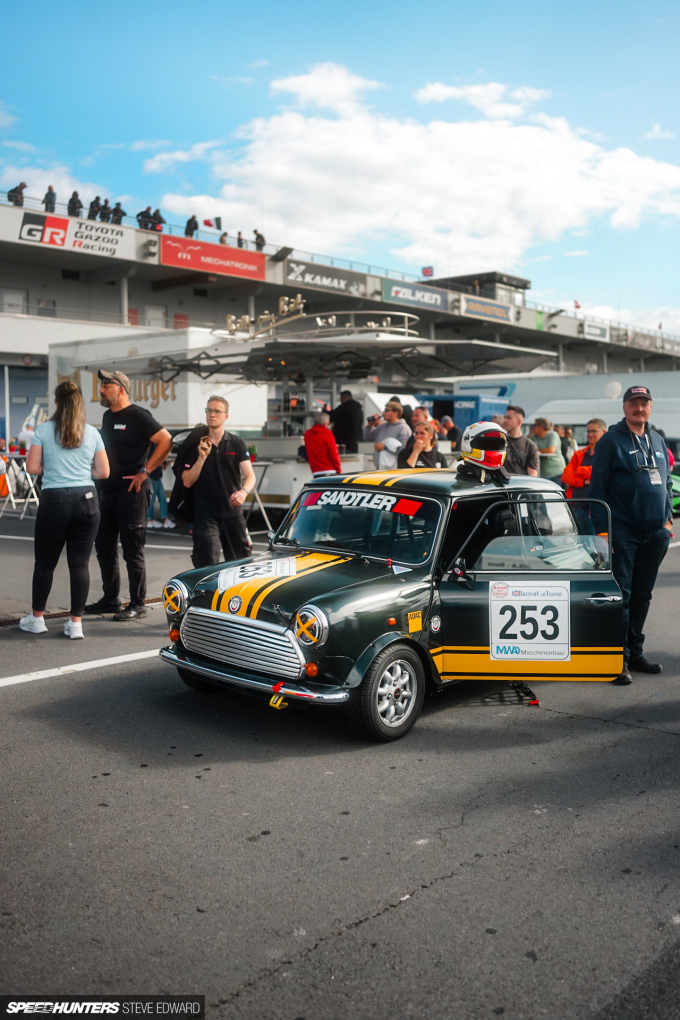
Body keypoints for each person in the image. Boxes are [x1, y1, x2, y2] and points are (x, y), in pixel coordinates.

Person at [589, 386, 673, 685]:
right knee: (622, 597)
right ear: (625, 407)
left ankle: (635, 653)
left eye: (644, 403)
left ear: (650, 407)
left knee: (642, 596)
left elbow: (666, 482)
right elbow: (597, 488)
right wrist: (602, 531)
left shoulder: (657, 439)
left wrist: (668, 520)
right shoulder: (610, 441)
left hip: (656, 532)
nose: (640, 408)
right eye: (634, 403)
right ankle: (618, 660)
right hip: (623, 531)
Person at [20, 381, 110, 639]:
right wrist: (82, 471)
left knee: (45, 563)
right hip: (86, 499)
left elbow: (32, 468)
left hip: (54, 499)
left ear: (57, 403)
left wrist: (54, 468)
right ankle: (75, 623)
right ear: (80, 403)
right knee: (80, 564)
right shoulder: (92, 432)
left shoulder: (44, 430)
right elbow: (104, 472)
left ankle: (37, 619)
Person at [85, 369, 172, 621]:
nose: (101, 390)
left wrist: (145, 472)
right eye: (101, 386)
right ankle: (111, 599)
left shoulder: (138, 415)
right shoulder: (107, 416)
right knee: (104, 546)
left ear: (121, 389)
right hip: (108, 491)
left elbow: (166, 441)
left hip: (133, 492)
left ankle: (138, 603)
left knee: (132, 550)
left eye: (106, 386)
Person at [181, 396, 256, 568]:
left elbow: (250, 476)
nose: (212, 414)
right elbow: (187, 481)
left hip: (233, 513)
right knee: (207, 564)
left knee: (240, 565)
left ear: (226, 416)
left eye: (217, 411)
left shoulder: (236, 443)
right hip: (205, 514)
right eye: (209, 410)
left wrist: (243, 492)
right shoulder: (196, 444)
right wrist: (201, 458)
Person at [561, 418, 606, 498]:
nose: (590, 434)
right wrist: (584, 481)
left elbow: (602, 475)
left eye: (594, 431)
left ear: (604, 432)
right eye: (588, 431)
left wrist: (579, 470)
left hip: (600, 502)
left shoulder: (608, 453)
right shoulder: (579, 454)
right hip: (576, 503)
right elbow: (566, 477)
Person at [364, 401, 412, 469]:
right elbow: (367, 438)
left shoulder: (404, 428)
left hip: (393, 470)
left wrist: (385, 447)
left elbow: (403, 451)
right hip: (379, 468)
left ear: (395, 413)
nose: (383, 413)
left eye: (387, 410)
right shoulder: (381, 426)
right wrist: (370, 426)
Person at [502, 406, 539, 476]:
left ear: (519, 422)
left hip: (520, 482)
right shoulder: (499, 441)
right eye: (505, 417)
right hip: (499, 482)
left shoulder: (530, 446)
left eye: (509, 418)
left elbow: (533, 475)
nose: (505, 420)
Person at [304, 412, 342, 477]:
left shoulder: (307, 434)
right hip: (330, 471)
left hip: (315, 472)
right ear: (325, 423)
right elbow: (334, 454)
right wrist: (338, 470)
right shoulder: (327, 433)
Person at [532, 416, 565, 484]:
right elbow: (527, 450)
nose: (532, 427)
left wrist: (536, 451)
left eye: (535, 425)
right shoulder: (533, 437)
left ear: (541, 426)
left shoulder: (553, 435)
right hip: (541, 474)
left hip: (555, 472)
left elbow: (551, 450)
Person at [147, 461, 175, 529]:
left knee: (162, 497)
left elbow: (164, 465)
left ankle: (166, 519)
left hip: (157, 476)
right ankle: (150, 519)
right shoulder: (151, 454)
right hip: (152, 476)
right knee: (152, 499)